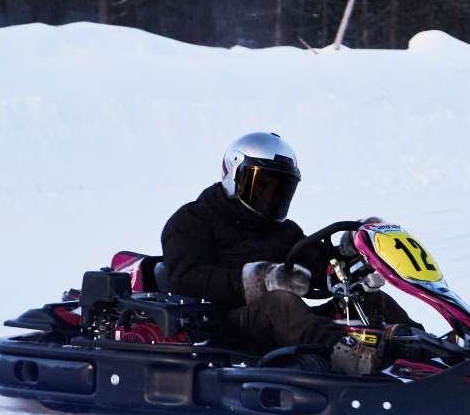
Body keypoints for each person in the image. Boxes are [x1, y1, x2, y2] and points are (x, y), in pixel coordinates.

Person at [161, 132, 415, 374]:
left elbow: (318, 271)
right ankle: (354, 356)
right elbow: (186, 279)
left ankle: (425, 350)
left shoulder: (282, 231)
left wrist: (351, 257)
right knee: (280, 302)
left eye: (278, 189)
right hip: (222, 326)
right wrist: (257, 281)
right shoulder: (192, 220)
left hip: (283, 326)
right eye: (262, 185)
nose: (270, 195)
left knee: (372, 299)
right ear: (234, 177)